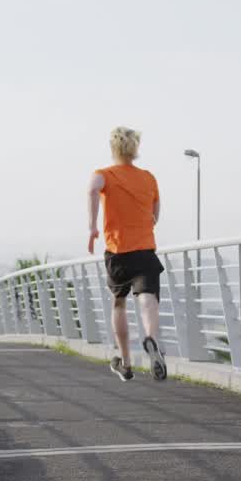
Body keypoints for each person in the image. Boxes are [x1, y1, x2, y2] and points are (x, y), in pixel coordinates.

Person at [86, 126, 167, 381]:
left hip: (117, 251)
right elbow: (155, 215)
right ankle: (152, 337)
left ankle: (126, 362)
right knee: (147, 297)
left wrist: (92, 227)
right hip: (144, 249)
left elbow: (91, 188)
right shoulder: (148, 178)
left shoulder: (105, 174)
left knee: (119, 303)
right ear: (135, 148)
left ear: (113, 148)